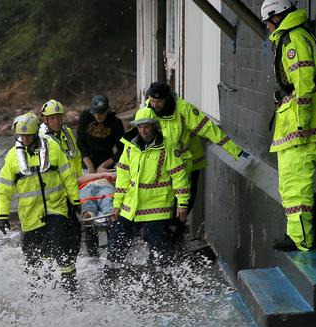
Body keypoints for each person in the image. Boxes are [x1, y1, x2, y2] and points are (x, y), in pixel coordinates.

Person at [259, 0, 316, 251]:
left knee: (295, 182)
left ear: (277, 17)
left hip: (302, 126)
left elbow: (304, 83)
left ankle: (300, 240)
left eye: (269, 22)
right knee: (295, 181)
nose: (268, 28)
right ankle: (300, 233)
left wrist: (302, 124)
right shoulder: (300, 35)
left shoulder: (293, 41)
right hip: (304, 123)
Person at [142, 82, 246, 240]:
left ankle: (173, 233)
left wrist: (235, 151)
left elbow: (209, 129)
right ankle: (161, 236)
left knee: (184, 202)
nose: (154, 105)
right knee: (162, 202)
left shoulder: (184, 110)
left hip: (187, 164)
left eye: (159, 102)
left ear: (167, 99)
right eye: (152, 101)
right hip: (161, 165)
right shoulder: (146, 111)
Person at [0, 112, 82, 291]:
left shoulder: (53, 148)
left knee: (61, 248)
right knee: (33, 258)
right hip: (30, 216)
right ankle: (39, 294)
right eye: (22, 136)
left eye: (28, 135)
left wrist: (75, 200)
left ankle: (70, 287)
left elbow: (67, 175)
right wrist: (2, 214)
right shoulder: (12, 157)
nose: (25, 139)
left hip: (55, 209)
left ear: (36, 133)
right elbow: (4, 189)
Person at [104, 115, 190, 278]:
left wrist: (182, 203)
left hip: (156, 208)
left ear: (154, 127)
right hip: (131, 208)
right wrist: (117, 204)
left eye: (147, 126)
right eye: (140, 127)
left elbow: (179, 176)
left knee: (160, 249)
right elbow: (123, 177)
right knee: (117, 242)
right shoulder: (130, 147)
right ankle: (110, 281)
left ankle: (166, 285)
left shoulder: (167, 147)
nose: (143, 130)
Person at [40, 99, 84, 258]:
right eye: (52, 118)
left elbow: (76, 157)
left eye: (59, 117)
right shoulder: (42, 140)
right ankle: (52, 268)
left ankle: (69, 263)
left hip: (72, 190)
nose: (56, 121)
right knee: (56, 235)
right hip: (54, 196)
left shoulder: (67, 133)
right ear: (45, 119)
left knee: (75, 232)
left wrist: (80, 182)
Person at [77, 95, 125, 173]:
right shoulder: (85, 117)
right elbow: (80, 143)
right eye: (95, 112)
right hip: (87, 163)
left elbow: (122, 149)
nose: (98, 116)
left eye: (101, 113)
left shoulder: (116, 122)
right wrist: (89, 166)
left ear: (107, 110)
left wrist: (103, 165)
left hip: (106, 164)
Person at [78, 172, 116, 257]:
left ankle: (89, 214)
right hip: (104, 184)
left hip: (85, 187)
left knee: (88, 208)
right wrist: (104, 174)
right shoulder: (106, 172)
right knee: (109, 207)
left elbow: (79, 180)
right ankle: (113, 251)